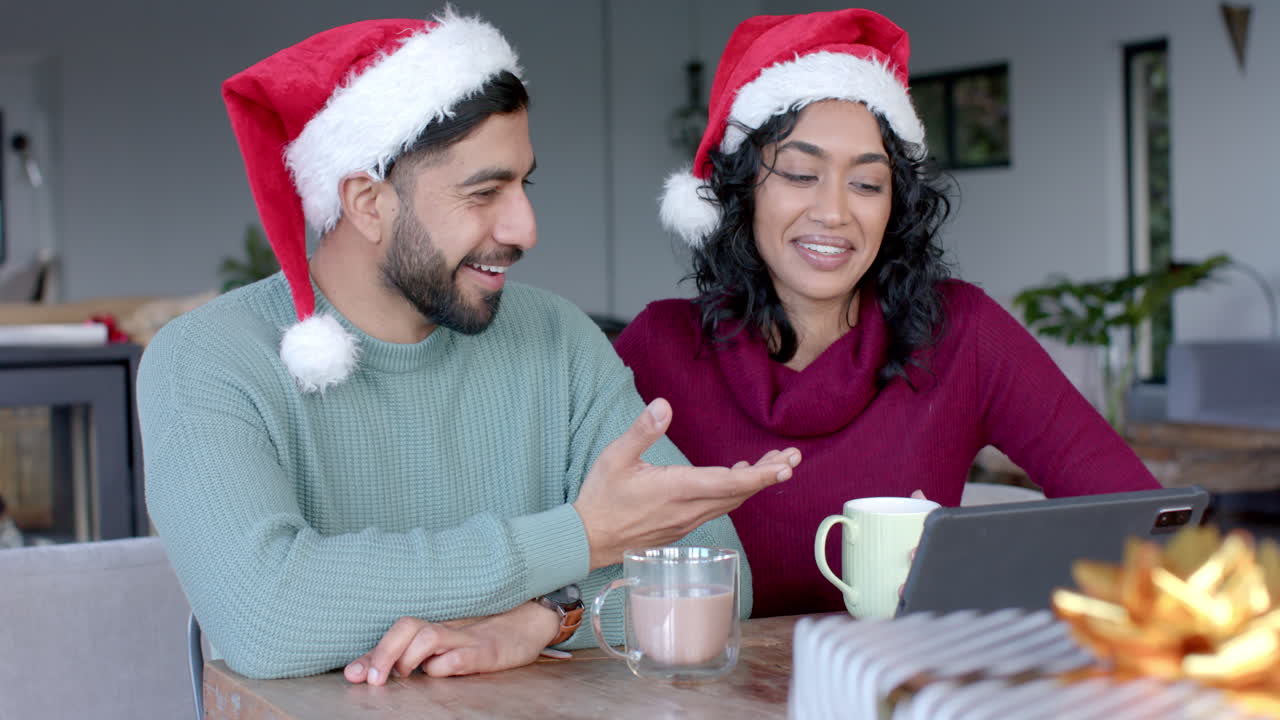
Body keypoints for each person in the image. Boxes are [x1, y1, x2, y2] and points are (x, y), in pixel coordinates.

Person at [137, 10, 801, 682]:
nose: (526, 227)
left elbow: (713, 576)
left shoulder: (556, 338)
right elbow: (268, 614)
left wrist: (544, 616)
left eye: (523, 184)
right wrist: (582, 538)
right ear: (368, 203)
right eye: (484, 192)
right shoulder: (207, 359)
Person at [615, 8, 1161, 618]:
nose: (834, 212)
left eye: (868, 185)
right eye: (800, 173)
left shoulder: (962, 333)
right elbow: (559, 541)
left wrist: (978, 568)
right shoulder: (656, 349)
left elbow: (1141, 518)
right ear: (743, 191)